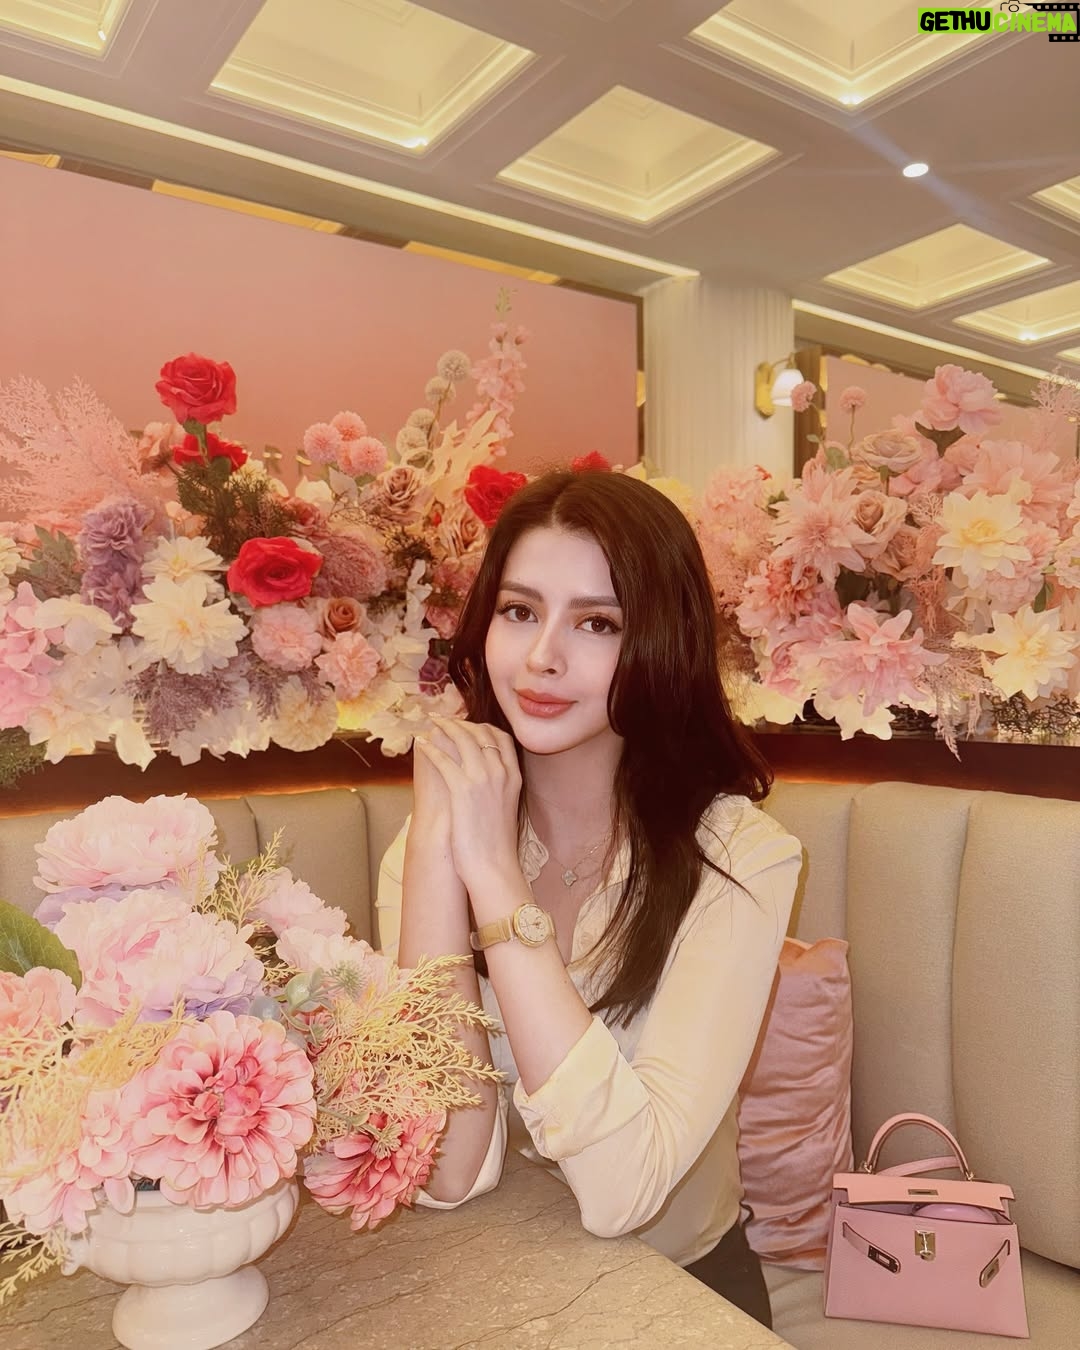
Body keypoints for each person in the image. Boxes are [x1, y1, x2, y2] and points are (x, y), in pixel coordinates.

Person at [375, 468, 801, 1326]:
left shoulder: (741, 859)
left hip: (683, 1296)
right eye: (519, 611)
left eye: (597, 623)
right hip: (502, 1286)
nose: (543, 657)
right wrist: (434, 852)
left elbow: (623, 1194)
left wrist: (495, 882)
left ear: (663, 643)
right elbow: (447, 1171)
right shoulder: (434, 843)